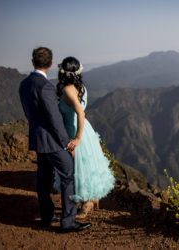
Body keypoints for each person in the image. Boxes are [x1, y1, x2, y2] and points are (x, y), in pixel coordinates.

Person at [19, 47, 91, 232]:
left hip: (37, 138)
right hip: (53, 141)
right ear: (50, 64)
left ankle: (47, 216)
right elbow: (55, 119)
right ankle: (68, 222)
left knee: (43, 177)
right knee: (68, 176)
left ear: (32, 61)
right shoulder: (46, 87)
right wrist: (67, 142)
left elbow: (30, 113)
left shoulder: (24, 84)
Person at [54, 56, 115, 218]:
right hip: (85, 129)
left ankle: (86, 203)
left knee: (77, 168)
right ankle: (92, 199)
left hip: (74, 131)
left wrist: (77, 138)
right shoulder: (80, 87)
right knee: (87, 166)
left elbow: (80, 112)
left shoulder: (67, 89)